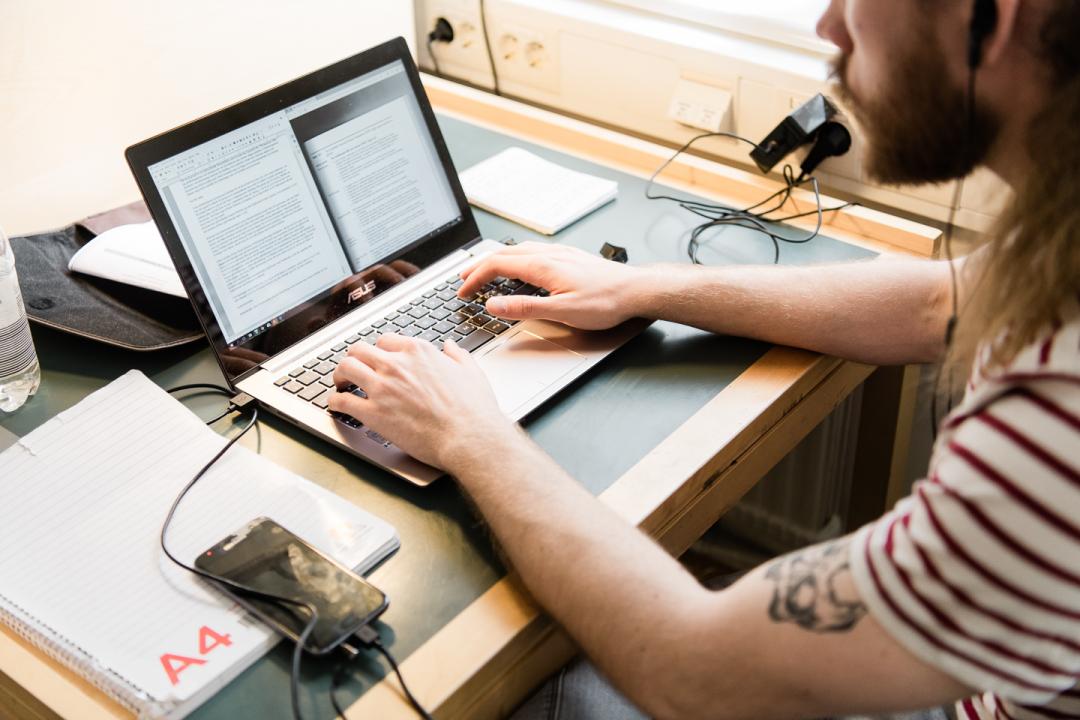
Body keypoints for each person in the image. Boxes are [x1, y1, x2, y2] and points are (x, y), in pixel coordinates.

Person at [331, 0, 1080, 717]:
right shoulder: (1061, 220)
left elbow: (692, 669)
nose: (827, 26)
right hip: (983, 685)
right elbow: (939, 302)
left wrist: (470, 435)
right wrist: (641, 286)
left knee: (490, 685)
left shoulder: (1053, 422)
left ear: (990, 13)